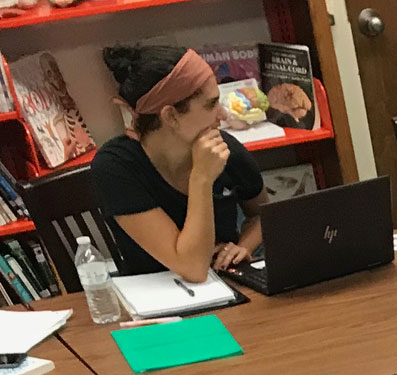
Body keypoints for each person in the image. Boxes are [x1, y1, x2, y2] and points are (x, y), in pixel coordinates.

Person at [94, 45, 267, 280]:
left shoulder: (226, 149)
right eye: (210, 104)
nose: (223, 115)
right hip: (157, 302)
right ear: (170, 116)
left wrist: (243, 247)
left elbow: (262, 214)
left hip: (228, 286)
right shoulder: (116, 166)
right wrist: (202, 178)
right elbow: (193, 267)